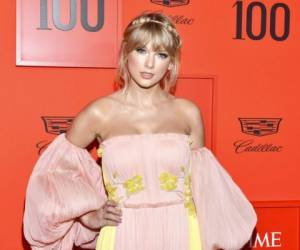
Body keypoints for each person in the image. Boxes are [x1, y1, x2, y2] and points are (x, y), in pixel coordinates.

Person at [23, 12, 257, 250]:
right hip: (124, 232)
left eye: (161, 54)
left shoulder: (188, 113)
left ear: (172, 62)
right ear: (126, 52)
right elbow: (54, 174)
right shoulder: (99, 113)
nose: (150, 63)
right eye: (141, 50)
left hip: (181, 232)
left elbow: (205, 189)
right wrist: (88, 215)